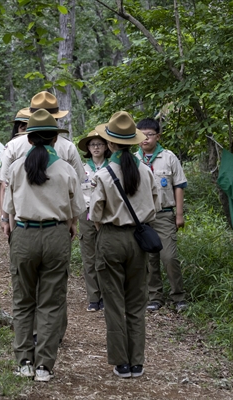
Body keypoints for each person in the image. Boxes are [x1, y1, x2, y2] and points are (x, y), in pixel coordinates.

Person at [2, 109, 85, 382]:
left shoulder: (16, 168)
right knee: (51, 302)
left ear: (30, 138)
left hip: (24, 235)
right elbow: (77, 209)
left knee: (23, 301)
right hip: (56, 236)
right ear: (52, 139)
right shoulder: (66, 169)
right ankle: (44, 366)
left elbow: (9, 209)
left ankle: (23, 361)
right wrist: (70, 224)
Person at [89, 111, 159, 379]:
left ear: (110, 144)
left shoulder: (104, 173)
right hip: (139, 238)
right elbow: (155, 205)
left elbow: (95, 212)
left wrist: (106, 230)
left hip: (111, 237)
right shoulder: (146, 170)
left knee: (115, 303)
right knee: (136, 302)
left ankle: (122, 363)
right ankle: (138, 362)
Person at [135, 118, 188, 312]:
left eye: (149, 135)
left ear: (158, 136)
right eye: (141, 135)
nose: (145, 139)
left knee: (169, 257)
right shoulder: (134, 159)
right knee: (150, 259)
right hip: (143, 218)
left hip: (164, 214)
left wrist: (179, 215)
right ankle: (155, 296)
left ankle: (178, 296)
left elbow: (179, 185)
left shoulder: (168, 157)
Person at [76, 130, 111, 312]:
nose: (96, 148)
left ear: (106, 147)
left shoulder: (111, 166)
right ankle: (93, 297)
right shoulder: (81, 169)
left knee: (105, 254)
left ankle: (106, 295)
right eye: (92, 145)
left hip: (107, 214)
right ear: (88, 148)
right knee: (89, 255)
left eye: (99, 144)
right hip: (86, 213)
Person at [0, 110, 29, 218]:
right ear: (16, 129)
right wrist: (4, 217)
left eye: (28, 129)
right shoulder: (10, 147)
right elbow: (3, 185)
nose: (25, 134)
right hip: (14, 206)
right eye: (23, 129)